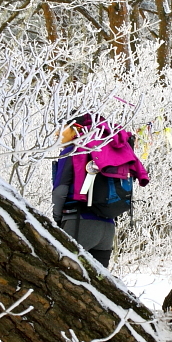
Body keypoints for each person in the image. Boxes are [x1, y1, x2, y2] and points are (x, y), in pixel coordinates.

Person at [51, 114, 148, 268]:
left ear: (76, 128)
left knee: (63, 274)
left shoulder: (73, 151)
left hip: (78, 222)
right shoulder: (110, 148)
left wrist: (57, 218)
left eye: (62, 127)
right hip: (108, 227)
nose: (57, 133)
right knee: (98, 280)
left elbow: (60, 190)